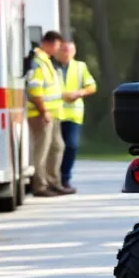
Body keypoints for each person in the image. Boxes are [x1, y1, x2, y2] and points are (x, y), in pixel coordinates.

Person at [25, 31, 73, 196]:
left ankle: (53, 182)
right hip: (40, 114)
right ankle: (40, 186)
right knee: (41, 152)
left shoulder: (46, 61)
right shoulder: (38, 62)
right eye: (57, 46)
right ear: (49, 44)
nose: (58, 50)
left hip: (52, 114)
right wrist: (43, 111)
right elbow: (34, 90)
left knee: (57, 147)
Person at [56, 41, 97, 190]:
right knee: (55, 149)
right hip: (55, 113)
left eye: (69, 50)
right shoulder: (52, 66)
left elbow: (92, 86)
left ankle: (65, 178)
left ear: (74, 52)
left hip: (74, 115)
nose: (66, 53)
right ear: (58, 51)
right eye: (63, 50)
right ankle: (55, 179)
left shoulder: (80, 67)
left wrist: (80, 93)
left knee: (71, 146)